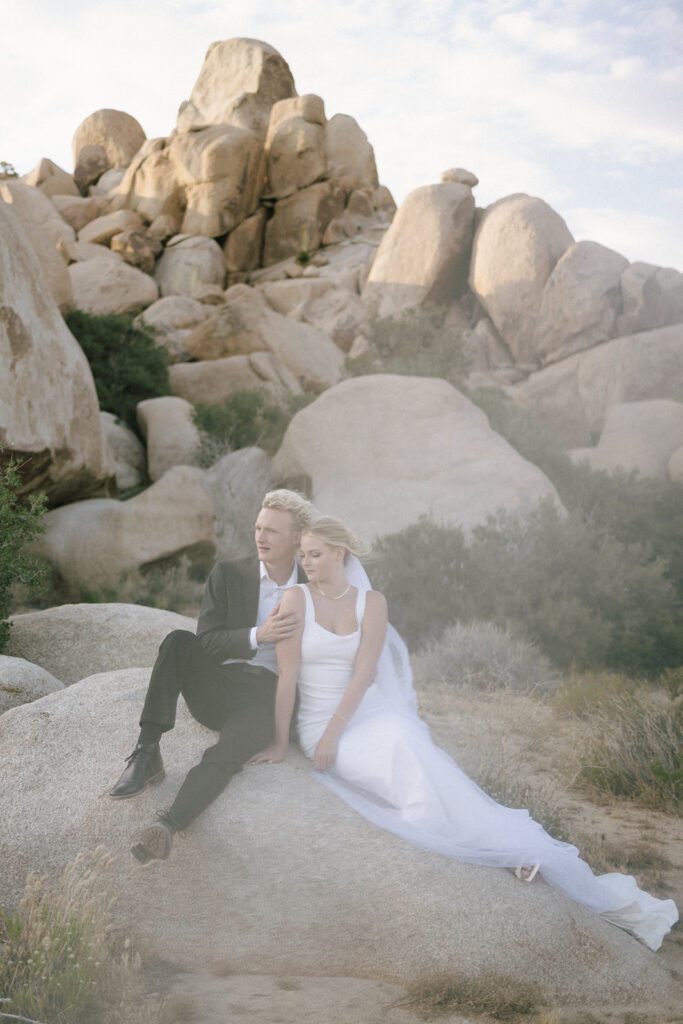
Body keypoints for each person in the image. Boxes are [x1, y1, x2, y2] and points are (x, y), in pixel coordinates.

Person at [250, 514, 679, 952]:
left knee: (408, 739)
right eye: (303, 556)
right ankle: (494, 849)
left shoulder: (371, 602)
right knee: (404, 753)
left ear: (339, 553)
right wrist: (288, 741)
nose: (307, 564)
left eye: (316, 555)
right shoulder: (295, 600)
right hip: (319, 722)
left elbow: (364, 674)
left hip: (365, 713)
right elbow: (287, 677)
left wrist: (337, 732)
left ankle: (505, 848)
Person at [108, 488, 314, 863]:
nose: (260, 537)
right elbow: (208, 642)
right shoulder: (230, 573)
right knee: (178, 641)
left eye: (272, 531)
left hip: (268, 699)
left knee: (225, 755)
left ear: (298, 538)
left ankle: (167, 826)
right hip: (220, 688)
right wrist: (258, 636)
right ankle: (147, 750)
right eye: (258, 528)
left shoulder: (315, 587)